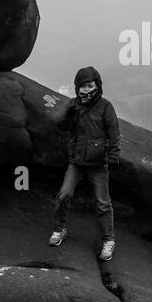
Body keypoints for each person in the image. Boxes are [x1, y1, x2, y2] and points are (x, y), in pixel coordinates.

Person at [49, 66, 121, 260]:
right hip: (77, 162)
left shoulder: (106, 107)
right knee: (64, 194)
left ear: (97, 86)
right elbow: (59, 124)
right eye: (82, 86)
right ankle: (59, 229)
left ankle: (109, 240)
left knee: (103, 203)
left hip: (98, 164)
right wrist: (68, 112)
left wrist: (113, 156)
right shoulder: (74, 105)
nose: (86, 90)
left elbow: (114, 133)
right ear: (77, 88)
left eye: (90, 85)